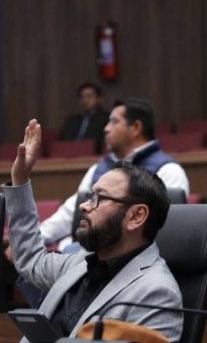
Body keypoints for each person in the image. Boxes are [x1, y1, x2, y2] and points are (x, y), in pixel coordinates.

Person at [6, 119, 183, 343]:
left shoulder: (157, 293)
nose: (84, 206)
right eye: (90, 196)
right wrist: (20, 180)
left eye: (100, 198)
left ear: (136, 216)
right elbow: (31, 260)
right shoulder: (80, 261)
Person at [40, 97, 189, 250]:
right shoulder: (97, 170)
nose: (106, 128)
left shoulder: (168, 170)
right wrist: (36, 240)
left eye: (114, 122)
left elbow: (168, 231)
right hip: (95, 254)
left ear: (136, 127)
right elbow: (70, 213)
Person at [59, 82, 111, 154]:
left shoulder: (106, 118)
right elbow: (61, 143)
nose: (85, 100)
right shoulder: (72, 120)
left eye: (89, 96)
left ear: (99, 99)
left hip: (92, 156)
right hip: (68, 156)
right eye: (82, 97)